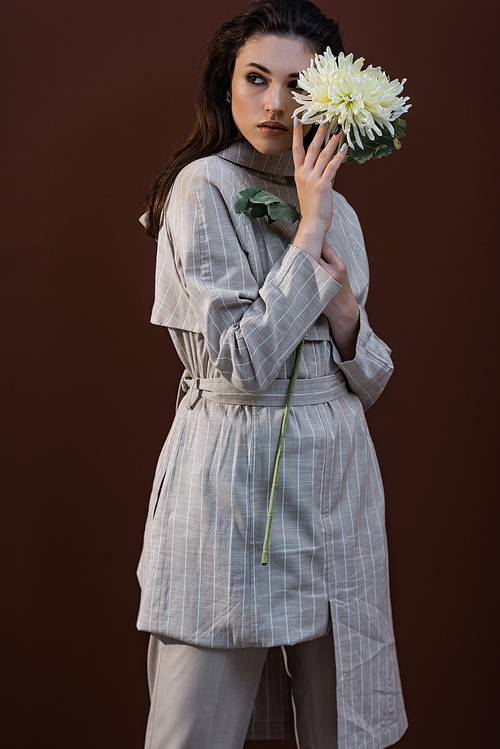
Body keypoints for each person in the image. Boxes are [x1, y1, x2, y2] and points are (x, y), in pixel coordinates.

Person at [137, 1, 408, 747]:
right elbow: (239, 362)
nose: (275, 103)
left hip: (338, 485)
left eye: (297, 85)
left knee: (343, 722)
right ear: (227, 85)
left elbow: (369, 377)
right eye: (256, 78)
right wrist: (309, 232)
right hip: (233, 485)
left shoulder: (340, 209)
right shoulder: (202, 190)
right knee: (195, 729)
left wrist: (348, 313)